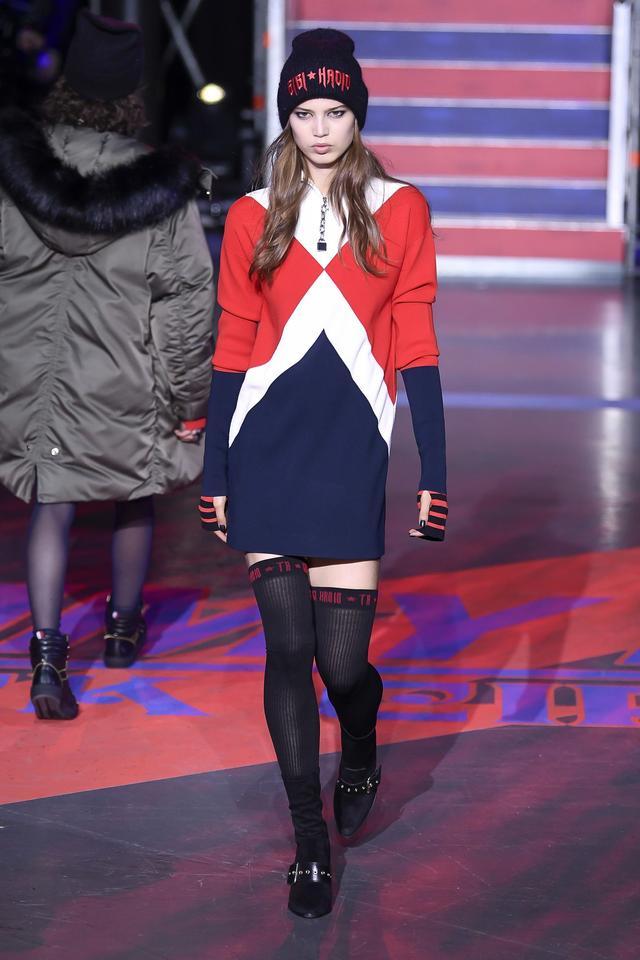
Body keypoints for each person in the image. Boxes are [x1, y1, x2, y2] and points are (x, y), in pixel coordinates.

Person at [199, 28, 448, 919]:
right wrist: (214, 471)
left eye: (334, 110)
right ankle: (308, 845)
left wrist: (434, 467)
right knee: (288, 651)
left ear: (357, 114)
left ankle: (364, 740)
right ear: (286, 117)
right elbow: (233, 344)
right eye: (303, 111)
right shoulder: (250, 213)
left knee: (343, 667)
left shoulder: (400, 208)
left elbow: (416, 342)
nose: (318, 127)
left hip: (350, 453)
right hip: (265, 450)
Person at [0, 11, 214, 720]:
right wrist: (188, 402)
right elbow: (186, 304)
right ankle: (122, 631)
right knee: (135, 492)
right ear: (131, 95)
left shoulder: (15, 172)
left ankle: (46, 657)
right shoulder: (160, 191)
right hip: (123, 374)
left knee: (51, 503)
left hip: (33, 379)